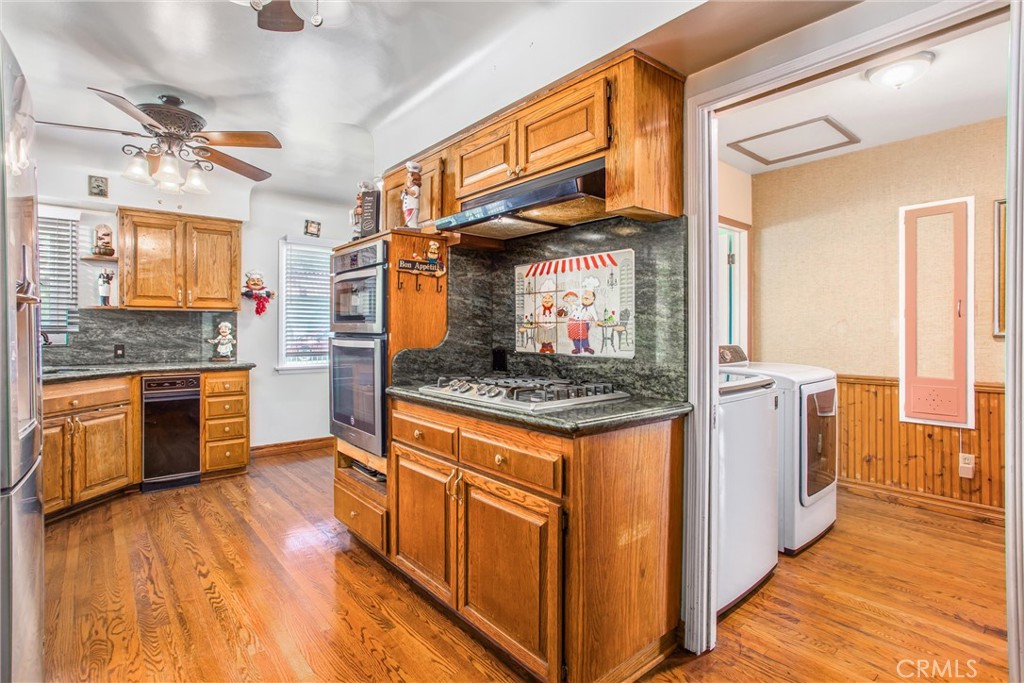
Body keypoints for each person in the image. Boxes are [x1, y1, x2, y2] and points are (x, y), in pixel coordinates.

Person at [534, 280, 557, 354]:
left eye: (549, 298)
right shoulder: (540, 308)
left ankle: (550, 347)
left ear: (552, 301)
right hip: (542, 325)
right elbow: (536, 314)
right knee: (543, 337)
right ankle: (544, 347)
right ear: (542, 300)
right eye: (545, 298)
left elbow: (558, 313)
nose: (547, 300)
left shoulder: (554, 308)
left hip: (551, 326)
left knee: (549, 337)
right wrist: (537, 321)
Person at [401, 161, 422, 229]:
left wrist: (407, 190)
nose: (407, 180)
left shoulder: (415, 188)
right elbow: (402, 197)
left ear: (413, 179)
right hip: (407, 208)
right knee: (408, 221)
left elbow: (415, 194)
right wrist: (404, 192)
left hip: (413, 207)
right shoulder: (408, 188)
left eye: (408, 178)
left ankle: (413, 229)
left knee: (412, 222)